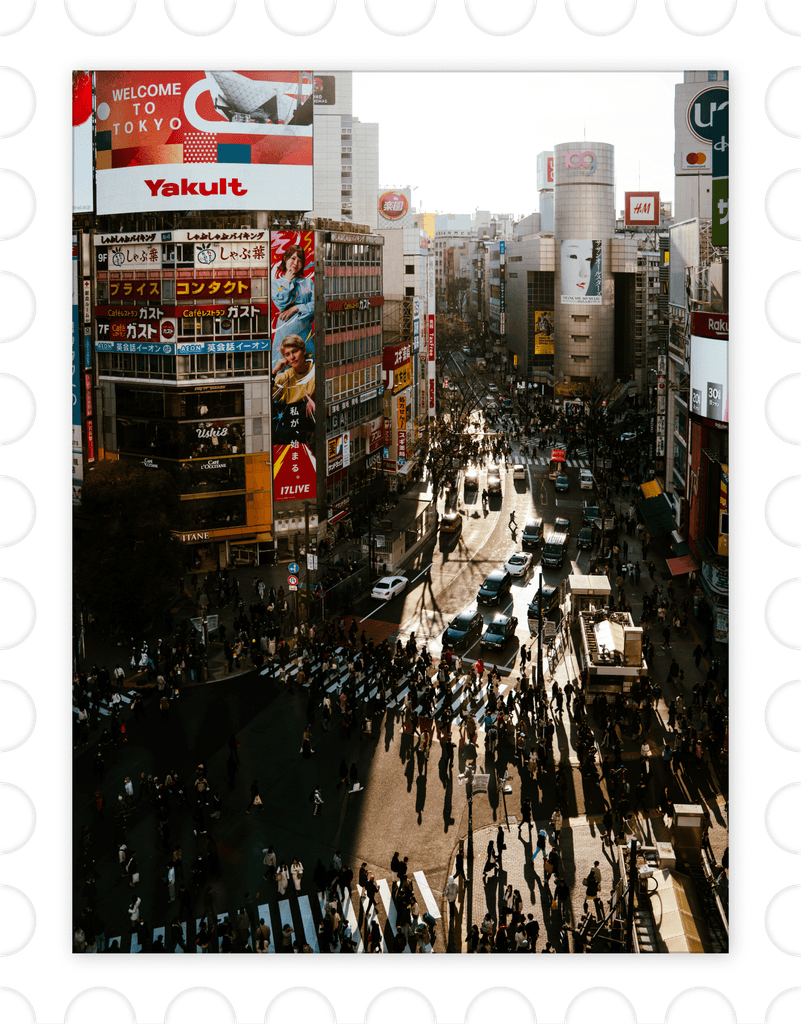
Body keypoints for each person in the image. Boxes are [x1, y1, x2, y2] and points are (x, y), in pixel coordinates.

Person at [271, 242, 315, 359]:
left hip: (305, 333)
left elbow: (316, 305)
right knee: (281, 369)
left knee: (309, 367)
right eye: (293, 258)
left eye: (300, 260)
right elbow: (281, 304)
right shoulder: (275, 283)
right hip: (284, 334)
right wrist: (286, 281)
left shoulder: (308, 282)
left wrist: (296, 308)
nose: (296, 263)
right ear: (285, 259)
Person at [272, 334, 315, 443]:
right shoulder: (284, 377)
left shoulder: (316, 371)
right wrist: (273, 372)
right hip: (291, 426)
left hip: (311, 427)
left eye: (295, 351)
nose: (292, 357)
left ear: (304, 351)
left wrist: (314, 399)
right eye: (287, 354)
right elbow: (266, 400)